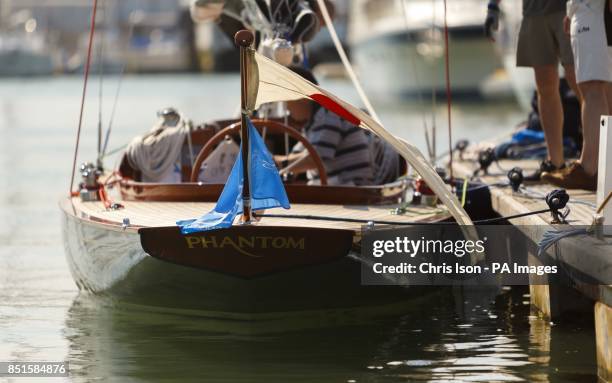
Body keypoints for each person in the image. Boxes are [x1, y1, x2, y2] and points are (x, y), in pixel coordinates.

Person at [485, 0, 581, 180]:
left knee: (580, 82)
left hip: (569, 9)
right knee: (544, 85)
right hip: (534, 11)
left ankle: (595, 162)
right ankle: (555, 163)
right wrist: (493, 7)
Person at [276, 67, 400, 186]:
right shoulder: (314, 121)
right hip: (337, 188)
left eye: (286, 100)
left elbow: (316, 158)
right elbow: (298, 157)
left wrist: (277, 163)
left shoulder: (330, 114)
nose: (286, 108)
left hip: (351, 189)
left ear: (301, 97)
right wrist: (277, 162)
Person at [542, 0, 612, 190]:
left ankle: (589, 169)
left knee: (593, 87)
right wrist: (571, 12)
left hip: (591, 10)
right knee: (601, 88)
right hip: (588, 10)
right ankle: (600, 168)